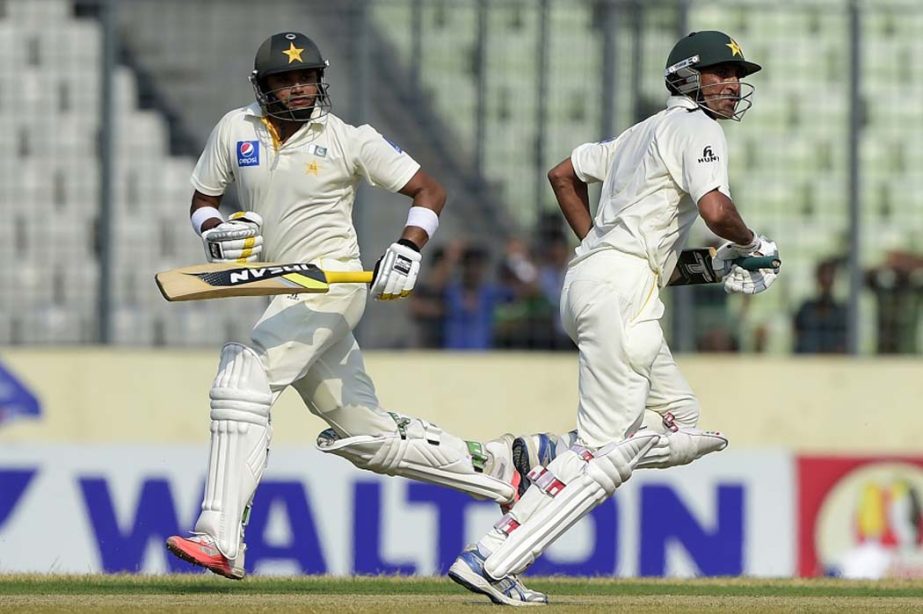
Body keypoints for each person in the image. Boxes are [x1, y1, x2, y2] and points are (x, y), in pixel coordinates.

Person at [164, 32, 520, 580]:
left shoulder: (349, 139)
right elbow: (203, 201)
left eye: (308, 77)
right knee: (365, 435)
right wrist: (214, 231)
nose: (301, 88)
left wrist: (408, 247)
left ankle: (219, 537)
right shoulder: (235, 130)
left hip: (332, 284)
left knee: (242, 378)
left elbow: (430, 191)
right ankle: (495, 470)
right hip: (282, 289)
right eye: (286, 80)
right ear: (263, 88)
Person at [448, 31, 781, 605]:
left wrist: (619, 250)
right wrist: (753, 241)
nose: (732, 84)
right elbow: (716, 210)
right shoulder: (697, 129)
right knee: (605, 450)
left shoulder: (639, 134)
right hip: (620, 291)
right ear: (686, 78)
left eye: (737, 75)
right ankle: (492, 559)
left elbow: (563, 174)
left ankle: (539, 455)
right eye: (720, 73)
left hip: (599, 283)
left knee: (682, 419)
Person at [793, 259, 847, 353]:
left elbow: (843, 344)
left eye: (830, 274)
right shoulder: (806, 309)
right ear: (817, 277)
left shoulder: (842, 312)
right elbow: (798, 337)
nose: (826, 279)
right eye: (823, 274)